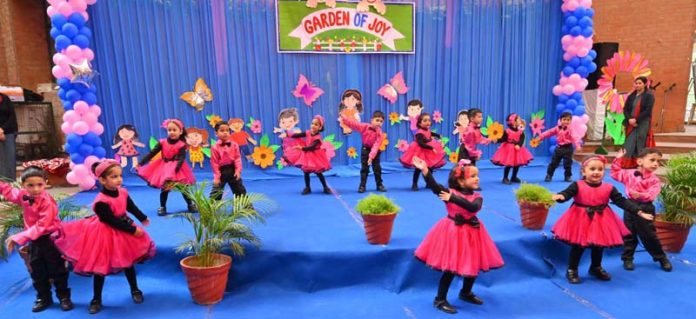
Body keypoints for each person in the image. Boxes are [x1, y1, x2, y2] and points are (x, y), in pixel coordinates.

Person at [55, 160, 155, 314]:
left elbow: (130, 206)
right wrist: (132, 230)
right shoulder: (101, 201)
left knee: (128, 263)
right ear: (102, 180)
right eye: (114, 177)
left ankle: (135, 289)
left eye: (120, 176)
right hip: (106, 233)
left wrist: (142, 217)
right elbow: (110, 220)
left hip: (124, 230)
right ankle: (96, 298)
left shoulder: (123, 192)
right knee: (100, 268)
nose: (119, 179)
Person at [412, 157, 503, 314]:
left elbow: (473, 208)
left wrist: (453, 198)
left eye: (477, 175)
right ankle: (440, 299)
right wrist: (425, 170)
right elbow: (434, 187)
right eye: (473, 176)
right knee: (451, 268)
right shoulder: (449, 192)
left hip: (474, 233)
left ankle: (465, 292)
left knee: (473, 262)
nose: (477, 178)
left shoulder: (477, 197)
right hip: (453, 232)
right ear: (461, 181)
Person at [551, 155, 643, 284]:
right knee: (578, 245)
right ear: (583, 171)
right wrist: (560, 196)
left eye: (600, 169)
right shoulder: (577, 185)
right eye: (592, 169)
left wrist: (637, 210)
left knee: (599, 245)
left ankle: (595, 267)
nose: (596, 172)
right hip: (579, 218)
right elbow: (567, 194)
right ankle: (572, 269)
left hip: (601, 218)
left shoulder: (609, 188)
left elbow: (621, 201)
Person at [2, 167, 73, 312]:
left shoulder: (47, 201)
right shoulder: (23, 195)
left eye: (39, 185)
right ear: (23, 185)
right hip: (34, 240)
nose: (35, 189)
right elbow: (10, 192)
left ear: (45, 183)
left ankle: (64, 297)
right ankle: (43, 297)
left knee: (58, 269)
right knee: (37, 270)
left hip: (50, 238)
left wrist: (18, 237)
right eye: (30, 185)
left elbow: (42, 225)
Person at [611, 148, 672, 272]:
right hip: (630, 206)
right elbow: (615, 173)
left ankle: (661, 257)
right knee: (629, 234)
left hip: (646, 207)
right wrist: (619, 158)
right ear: (640, 161)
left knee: (649, 234)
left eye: (658, 161)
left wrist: (641, 195)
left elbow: (652, 194)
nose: (656, 163)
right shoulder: (629, 174)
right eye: (652, 160)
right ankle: (627, 258)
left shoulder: (655, 180)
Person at [137, 118, 196, 216]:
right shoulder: (162, 142)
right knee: (165, 189)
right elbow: (152, 153)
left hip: (177, 169)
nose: (171, 132)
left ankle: (190, 204)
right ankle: (162, 206)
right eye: (169, 130)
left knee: (183, 189)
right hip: (165, 168)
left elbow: (181, 158)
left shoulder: (181, 145)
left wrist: (175, 170)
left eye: (174, 130)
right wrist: (141, 163)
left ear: (180, 131)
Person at [283, 115, 332, 195]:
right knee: (306, 172)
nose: (313, 125)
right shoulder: (308, 132)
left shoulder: (317, 139)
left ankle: (325, 187)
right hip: (307, 155)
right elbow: (298, 135)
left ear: (320, 127)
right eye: (312, 123)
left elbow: (311, 147)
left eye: (316, 124)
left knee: (318, 173)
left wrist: (301, 148)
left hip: (315, 156)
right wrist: (288, 134)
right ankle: (307, 187)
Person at [339, 110, 386, 193]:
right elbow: (354, 124)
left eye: (381, 121)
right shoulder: (364, 127)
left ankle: (379, 185)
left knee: (377, 168)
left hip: (375, 152)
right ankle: (362, 186)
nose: (379, 123)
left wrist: (371, 157)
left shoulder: (380, 134)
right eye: (377, 120)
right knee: (364, 169)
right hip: (365, 149)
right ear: (372, 120)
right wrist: (345, 119)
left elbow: (376, 146)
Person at [399, 113, 446, 191]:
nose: (428, 122)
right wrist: (431, 148)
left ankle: (429, 183)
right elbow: (421, 144)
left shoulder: (427, 130)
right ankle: (414, 184)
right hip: (420, 151)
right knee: (418, 168)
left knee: (430, 167)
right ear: (420, 123)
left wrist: (438, 135)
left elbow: (430, 133)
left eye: (429, 120)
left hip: (427, 152)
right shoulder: (419, 133)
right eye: (425, 121)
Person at [621, 76, 655, 169]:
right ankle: (627, 163)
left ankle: (640, 163)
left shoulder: (649, 95)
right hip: (631, 122)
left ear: (644, 84)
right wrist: (630, 119)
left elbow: (647, 110)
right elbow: (625, 109)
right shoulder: (631, 96)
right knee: (629, 141)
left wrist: (636, 120)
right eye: (636, 83)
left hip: (643, 122)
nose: (637, 85)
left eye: (640, 83)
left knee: (641, 142)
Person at [490, 113, 533, 184]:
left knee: (517, 164)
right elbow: (503, 139)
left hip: (518, 149)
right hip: (509, 149)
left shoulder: (520, 130)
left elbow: (522, 138)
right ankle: (505, 178)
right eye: (518, 119)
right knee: (509, 164)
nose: (520, 120)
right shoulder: (507, 131)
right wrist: (496, 140)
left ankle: (514, 177)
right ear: (514, 122)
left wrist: (519, 145)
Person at [210, 121, 247, 200]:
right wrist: (217, 177)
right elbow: (214, 163)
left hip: (232, 170)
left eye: (227, 130)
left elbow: (237, 158)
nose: (225, 133)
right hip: (221, 171)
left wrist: (238, 170)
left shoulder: (234, 145)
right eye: (222, 131)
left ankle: (245, 207)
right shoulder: (214, 147)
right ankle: (212, 208)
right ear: (216, 133)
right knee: (216, 191)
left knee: (239, 189)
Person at [534, 112, 574, 182]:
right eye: (564, 119)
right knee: (554, 163)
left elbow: (575, 138)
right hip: (559, 148)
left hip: (568, 148)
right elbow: (548, 132)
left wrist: (578, 145)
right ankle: (549, 175)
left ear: (570, 121)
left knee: (568, 163)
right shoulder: (557, 128)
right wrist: (540, 137)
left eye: (568, 120)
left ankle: (568, 176)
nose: (566, 121)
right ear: (560, 120)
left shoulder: (571, 129)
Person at [0, 92, 18, 180]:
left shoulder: (5, 98)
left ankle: (11, 184)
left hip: (8, 132)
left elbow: (12, 116)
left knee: (10, 159)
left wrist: (2, 130)